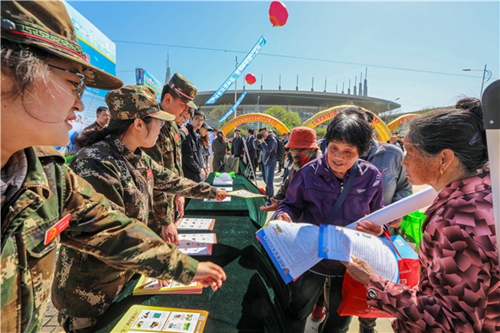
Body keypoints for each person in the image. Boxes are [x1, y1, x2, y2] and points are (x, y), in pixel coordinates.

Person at [0, 2, 225, 332]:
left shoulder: (47, 172)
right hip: (89, 293)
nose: (79, 103)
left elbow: (111, 228)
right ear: (8, 73)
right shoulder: (92, 164)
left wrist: (184, 267)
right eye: (72, 82)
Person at [53, 85, 227, 332]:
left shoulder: (134, 156)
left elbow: (169, 179)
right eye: (158, 122)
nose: (162, 128)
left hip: (122, 279)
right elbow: (114, 235)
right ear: (138, 124)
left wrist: (210, 191)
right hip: (90, 294)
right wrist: (183, 267)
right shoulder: (97, 163)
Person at [345, 106, 499, 333]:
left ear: (444, 159)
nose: (404, 161)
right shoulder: (484, 191)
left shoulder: (457, 221)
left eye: (409, 151)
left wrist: (374, 283)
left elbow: (453, 321)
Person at [274, 112, 385, 333]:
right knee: (295, 312)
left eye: (348, 152)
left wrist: (380, 229)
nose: (338, 157)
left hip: (349, 264)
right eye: (333, 148)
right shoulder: (308, 173)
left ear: (361, 153)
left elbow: (379, 214)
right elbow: (290, 204)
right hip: (312, 259)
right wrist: (283, 215)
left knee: (339, 321)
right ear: (325, 144)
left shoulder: (371, 176)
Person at [142, 73, 197, 241]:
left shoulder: (172, 126)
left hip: (169, 202)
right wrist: (166, 220)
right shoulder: (151, 125)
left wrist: (179, 194)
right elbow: (154, 177)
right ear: (167, 99)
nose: (186, 112)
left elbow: (175, 164)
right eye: (183, 105)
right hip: (153, 210)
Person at [260, 127, 321, 212]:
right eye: (291, 149)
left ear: (312, 149)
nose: (293, 152)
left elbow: (305, 202)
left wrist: (282, 205)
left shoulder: (320, 170)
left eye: (297, 149)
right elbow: (287, 184)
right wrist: (276, 201)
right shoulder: (297, 163)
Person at [182, 109, 207, 182]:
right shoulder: (186, 133)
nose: (199, 122)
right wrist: (199, 170)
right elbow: (187, 157)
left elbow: (199, 155)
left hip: (198, 174)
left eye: (201, 120)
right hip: (190, 175)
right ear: (190, 118)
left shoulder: (197, 135)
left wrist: (203, 168)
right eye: (196, 119)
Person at [254, 127, 278, 204]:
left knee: (269, 182)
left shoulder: (272, 139)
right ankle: (268, 196)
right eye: (261, 133)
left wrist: (262, 141)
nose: (263, 135)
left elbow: (269, 149)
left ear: (267, 132)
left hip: (271, 162)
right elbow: (257, 148)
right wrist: (256, 140)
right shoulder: (265, 140)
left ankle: (271, 200)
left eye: (264, 133)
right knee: (266, 181)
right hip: (265, 163)